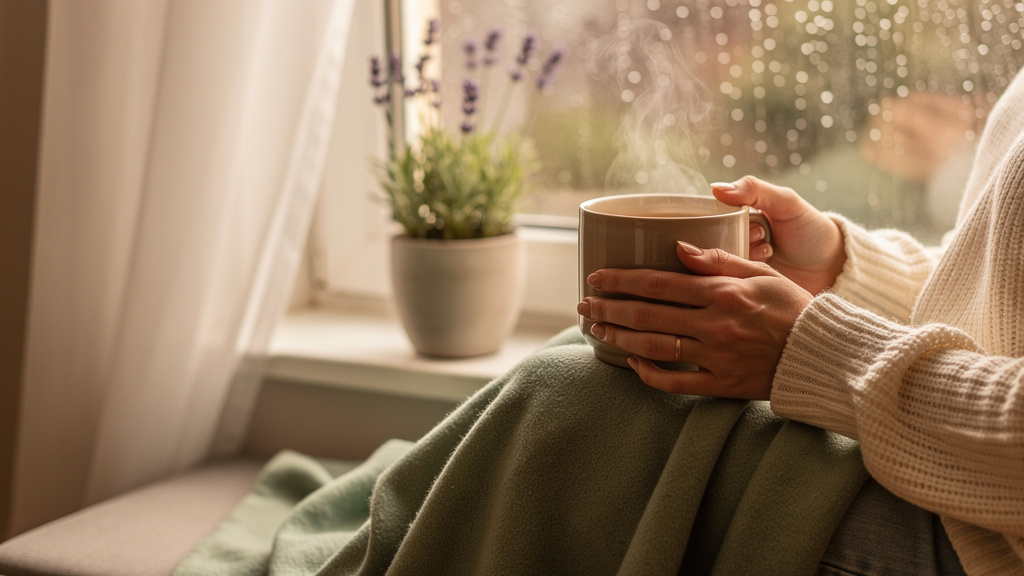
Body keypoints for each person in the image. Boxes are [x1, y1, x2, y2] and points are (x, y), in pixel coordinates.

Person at [577, 71, 1024, 574]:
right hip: (949, 441)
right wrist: (839, 268)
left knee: (571, 411)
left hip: (979, 541)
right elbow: (998, 292)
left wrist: (814, 349)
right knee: (567, 374)